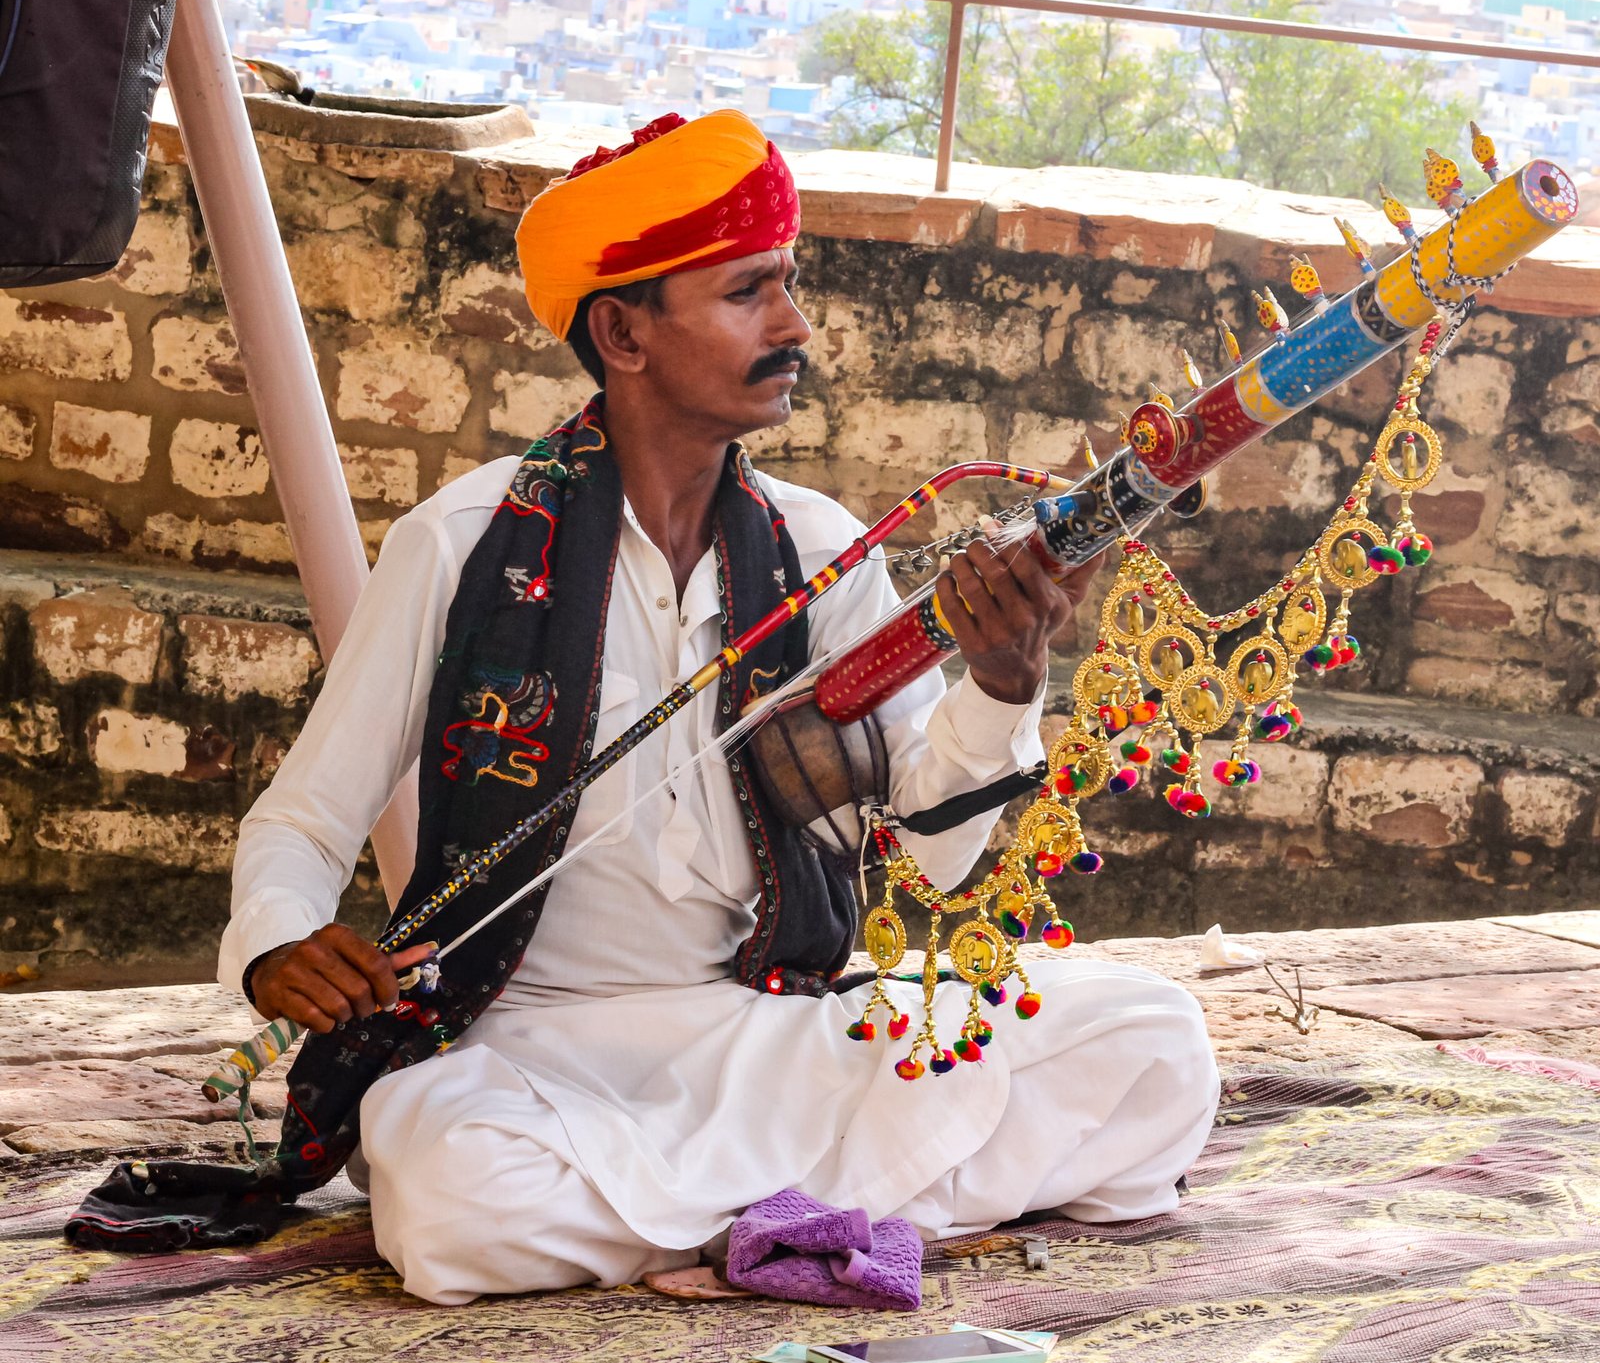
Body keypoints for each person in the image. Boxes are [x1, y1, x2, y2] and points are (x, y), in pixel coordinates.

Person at [216, 110, 1219, 1306]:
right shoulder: (465, 545)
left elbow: (931, 862)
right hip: (532, 1055)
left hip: (771, 1034)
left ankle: (716, 1227)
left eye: (788, 285)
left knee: (1155, 1045)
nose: (796, 327)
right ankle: (826, 1207)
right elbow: (301, 824)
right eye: (749, 293)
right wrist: (277, 947)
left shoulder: (821, 551)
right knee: (448, 1199)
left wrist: (1001, 682)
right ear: (622, 333)